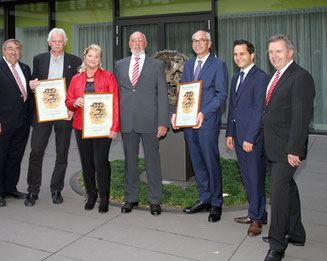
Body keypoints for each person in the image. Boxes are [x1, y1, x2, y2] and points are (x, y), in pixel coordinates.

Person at [262, 35, 315, 261]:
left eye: (279, 51)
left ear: (290, 52)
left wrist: (295, 149)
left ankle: (277, 244)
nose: (274, 55)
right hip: (272, 145)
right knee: (288, 189)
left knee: (278, 193)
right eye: (271, 52)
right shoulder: (275, 75)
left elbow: (302, 117)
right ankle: (296, 232)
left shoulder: (300, 77)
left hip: (287, 149)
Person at [171, 30, 228, 222]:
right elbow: (184, 92)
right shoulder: (188, 65)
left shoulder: (219, 65)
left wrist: (204, 112)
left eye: (201, 40)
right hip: (188, 123)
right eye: (194, 41)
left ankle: (217, 203)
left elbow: (221, 94)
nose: (197, 44)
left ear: (209, 43)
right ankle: (205, 198)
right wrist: (175, 113)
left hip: (207, 122)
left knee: (211, 162)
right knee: (197, 162)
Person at [24, 28, 81, 206]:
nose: (57, 44)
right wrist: (32, 84)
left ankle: (56, 189)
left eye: (60, 41)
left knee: (62, 153)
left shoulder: (75, 61)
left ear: (65, 42)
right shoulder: (39, 59)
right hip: (43, 113)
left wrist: (72, 109)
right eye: (53, 41)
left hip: (64, 114)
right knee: (36, 152)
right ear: (49, 43)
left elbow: (77, 88)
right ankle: (33, 190)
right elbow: (34, 79)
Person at [115, 31, 169, 216]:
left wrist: (163, 121)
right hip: (127, 121)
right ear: (129, 44)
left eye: (140, 40)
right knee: (130, 162)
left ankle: (155, 200)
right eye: (133, 40)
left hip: (150, 121)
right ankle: (131, 198)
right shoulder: (120, 65)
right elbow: (115, 94)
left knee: (152, 162)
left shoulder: (156, 65)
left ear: (145, 43)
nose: (137, 43)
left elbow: (162, 94)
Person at [65, 44, 119, 213]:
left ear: (100, 59)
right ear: (85, 57)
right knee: (87, 163)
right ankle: (91, 194)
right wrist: (75, 102)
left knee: (101, 162)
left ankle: (104, 198)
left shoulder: (109, 77)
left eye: (97, 56)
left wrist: (114, 126)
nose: (93, 59)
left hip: (102, 127)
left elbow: (115, 102)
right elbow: (67, 101)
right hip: (81, 127)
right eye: (90, 56)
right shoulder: (76, 79)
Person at [0, 39, 33, 207]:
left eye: (17, 49)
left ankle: (11, 187)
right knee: (0, 157)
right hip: (2, 123)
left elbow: (27, 95)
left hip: (22, 123)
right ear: (3, 51)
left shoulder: (25, 68)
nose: (14, 52)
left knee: (15, 157)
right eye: (10, 49)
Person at [225, 40, 268, 235]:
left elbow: (259, 110)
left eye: (242, 54)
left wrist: (250, 138)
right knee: (247, 178)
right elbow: (232, 107)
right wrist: (230, 133)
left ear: (252, 55)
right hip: (239, 136)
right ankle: (255, 212)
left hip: (252, 139)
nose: (238, 58)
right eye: (235, 55)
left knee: (255, 178)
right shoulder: (236, 78)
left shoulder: (260, 78)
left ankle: (257, 220)